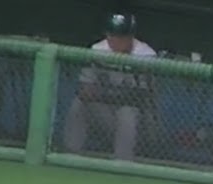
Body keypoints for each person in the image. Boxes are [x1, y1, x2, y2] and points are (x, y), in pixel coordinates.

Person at [63, 13, 157, 162]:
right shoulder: (98, 50)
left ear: (131, 36)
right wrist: (105, 96)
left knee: (127, 112)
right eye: (111, 35)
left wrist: (103, 95)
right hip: (107, 113)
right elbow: (85, 90)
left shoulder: (145, 55)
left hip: (142, 122)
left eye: (120, 36)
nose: (114, 40)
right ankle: (70, 156)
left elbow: (140, 97)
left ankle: (122, 162)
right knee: (79, 104)